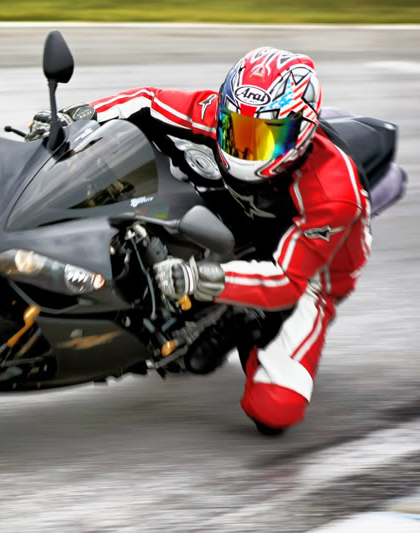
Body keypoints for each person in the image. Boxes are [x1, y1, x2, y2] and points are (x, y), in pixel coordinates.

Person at [29, 47, 371, 433]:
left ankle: (242, 320)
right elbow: (145, 102)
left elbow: (286, 281)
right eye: (235, 129)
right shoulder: (211, 113)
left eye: (261, 139)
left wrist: (198, 280)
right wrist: (83, 117)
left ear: (301, 131)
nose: (242, 147)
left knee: (274, 410)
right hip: (237, 214)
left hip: (307, 271)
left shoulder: (333, 192)